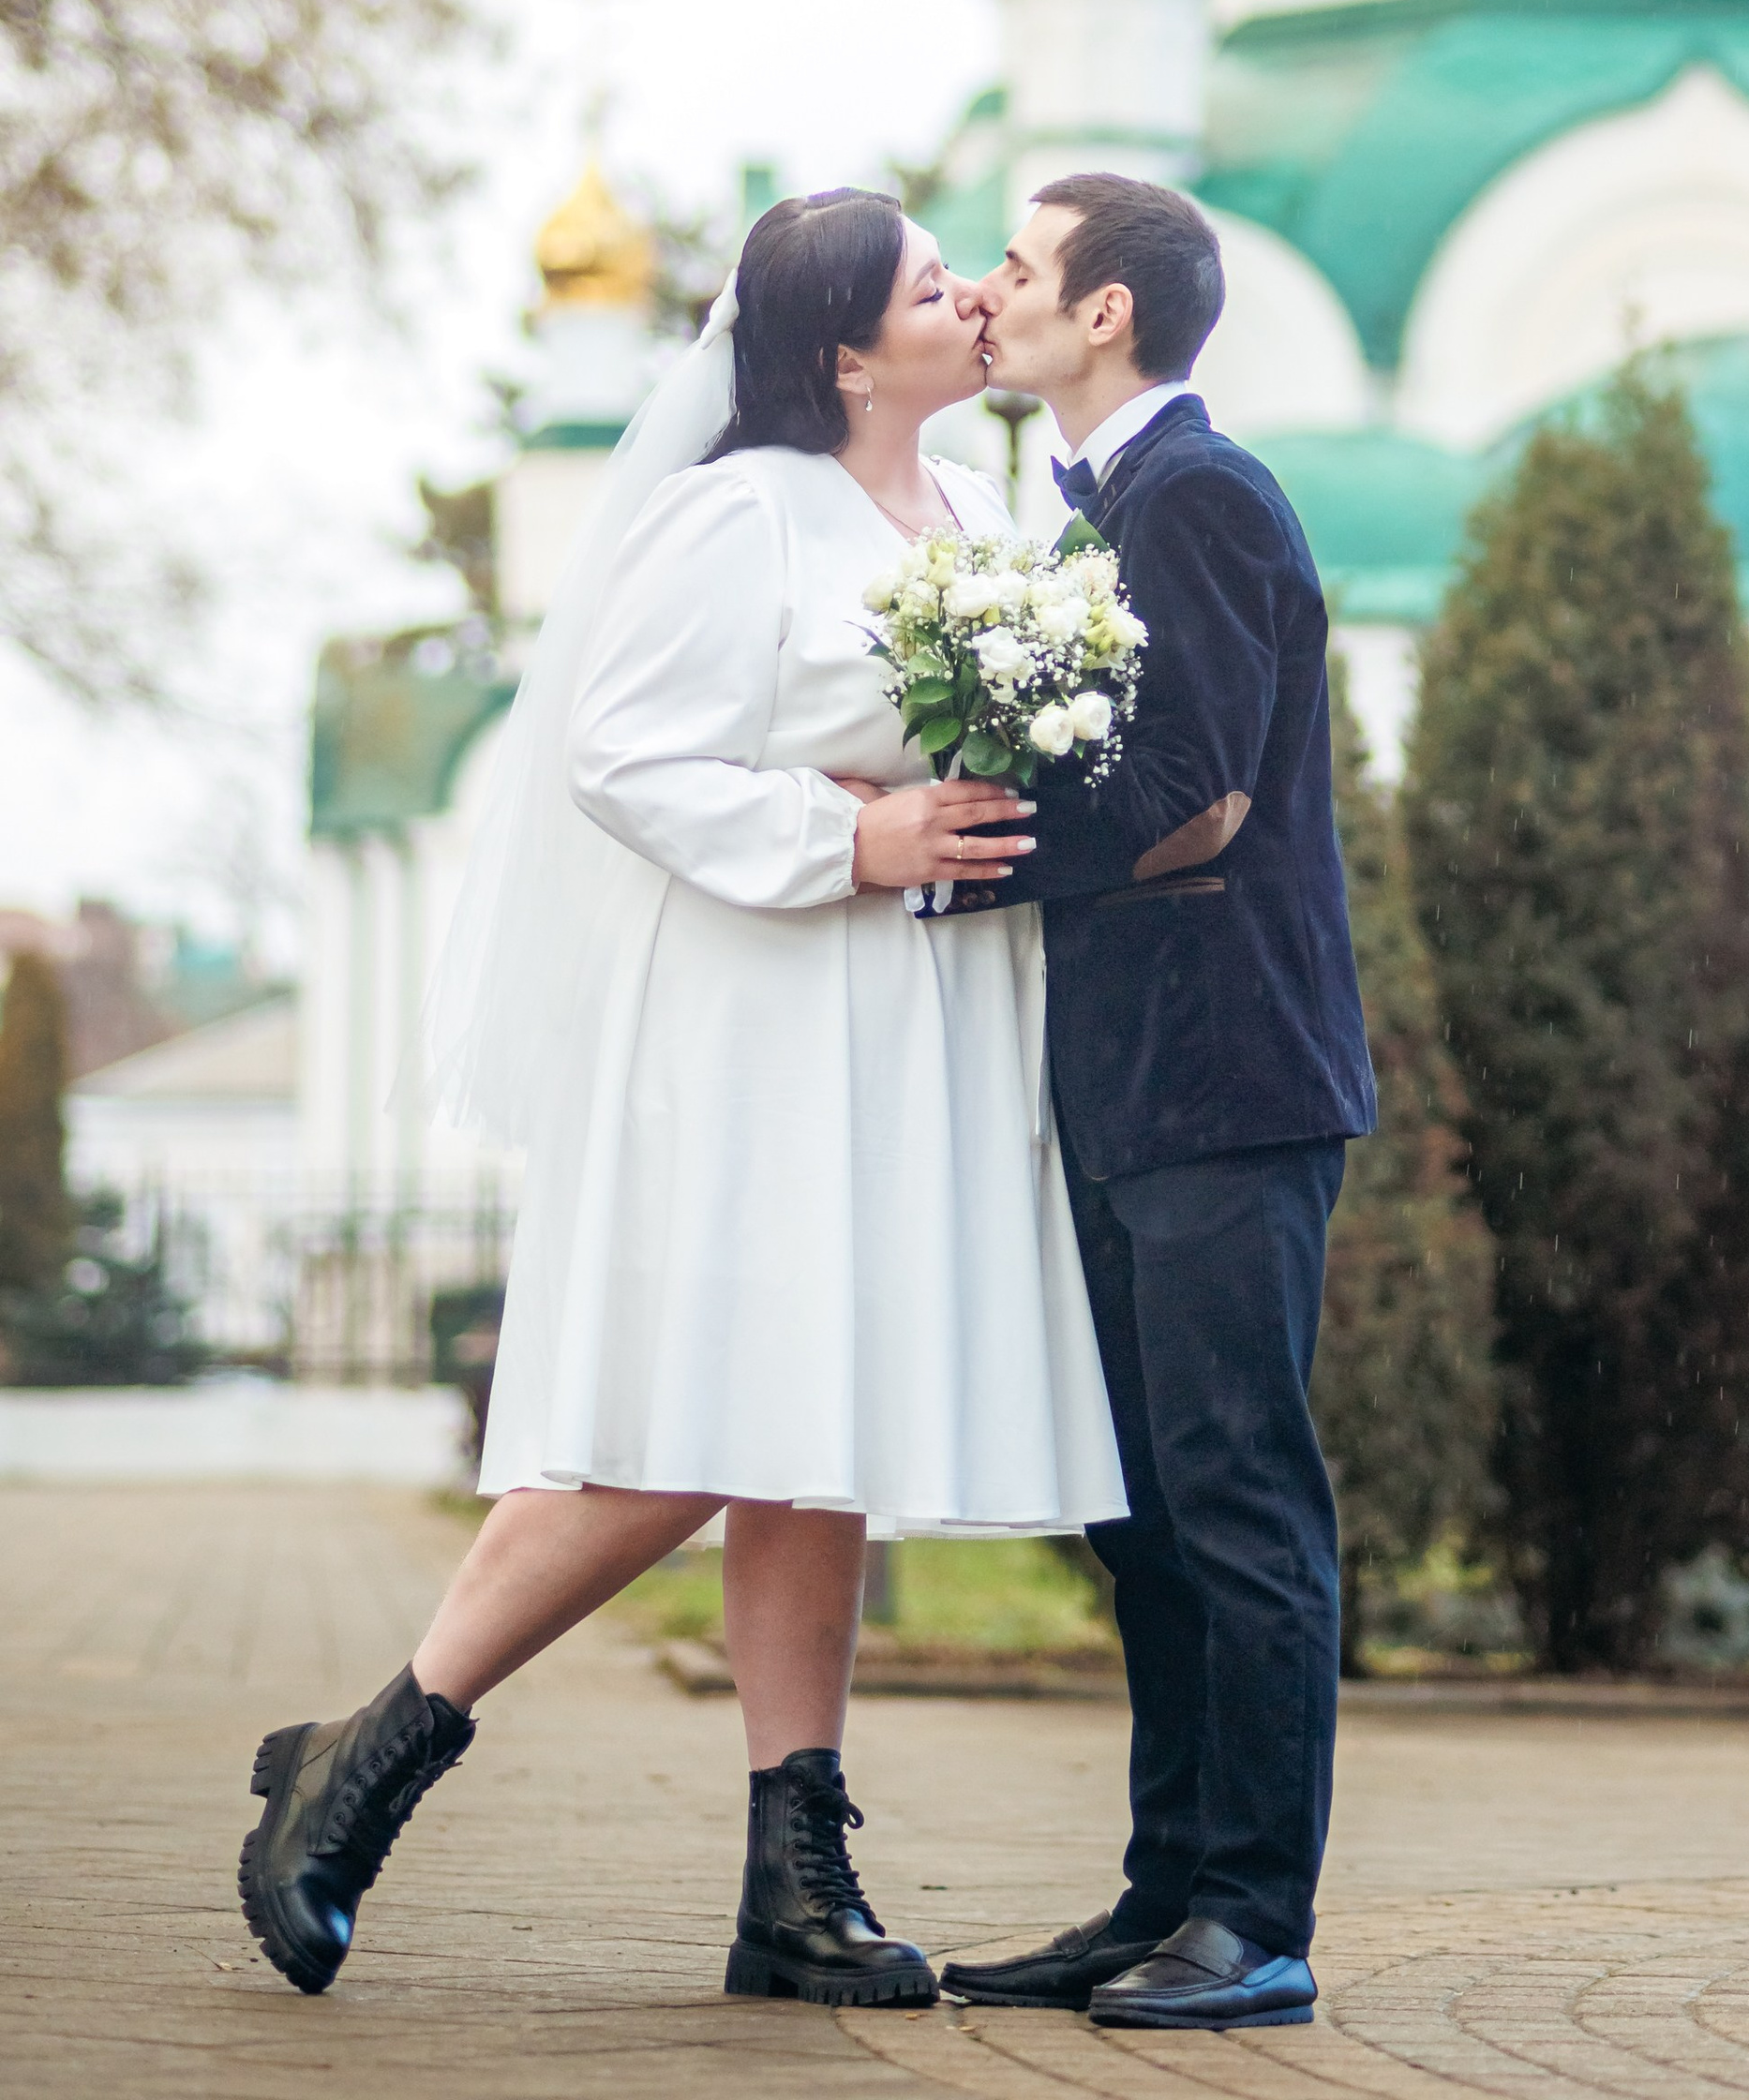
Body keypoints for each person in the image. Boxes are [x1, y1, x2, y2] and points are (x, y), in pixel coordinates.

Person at [237, 192, 1124, 2006]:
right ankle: (370, 1758)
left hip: (902, 1017)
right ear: (840, 357)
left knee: (819, 1433)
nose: (967, 298)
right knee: (687, 1426)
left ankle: (791, 1886)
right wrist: (844, 834)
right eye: (922, 286)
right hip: (747, 1009)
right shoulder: (733, 512)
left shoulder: (974, 513)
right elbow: (617, 753)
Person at [938, 174, 1375, 2034]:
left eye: (1020, 267)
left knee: (1236, 1499)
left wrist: (952, 865)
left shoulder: (1196, 500)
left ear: (1105, 313)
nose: (988, 289)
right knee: (1143, 1514)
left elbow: (1193, 796)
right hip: (1133, 1074)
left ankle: (1254, 1925)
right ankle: (1158, 1897)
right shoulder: (1091, 514)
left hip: (1225, 1071)